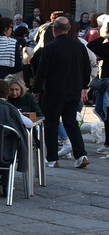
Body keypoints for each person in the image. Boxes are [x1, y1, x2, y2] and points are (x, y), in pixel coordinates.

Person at [32, 16, 91, 168]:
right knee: (71, 123)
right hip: (73, 91)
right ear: (69, 28)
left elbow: (41, 71)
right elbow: (86, 68)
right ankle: (81, 155)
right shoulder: (79, 47)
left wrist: (36, 90)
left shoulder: (50, 47)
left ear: (54, 29)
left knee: (51, 124)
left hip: (54, 91)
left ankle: (52, 158)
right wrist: (84, 86)